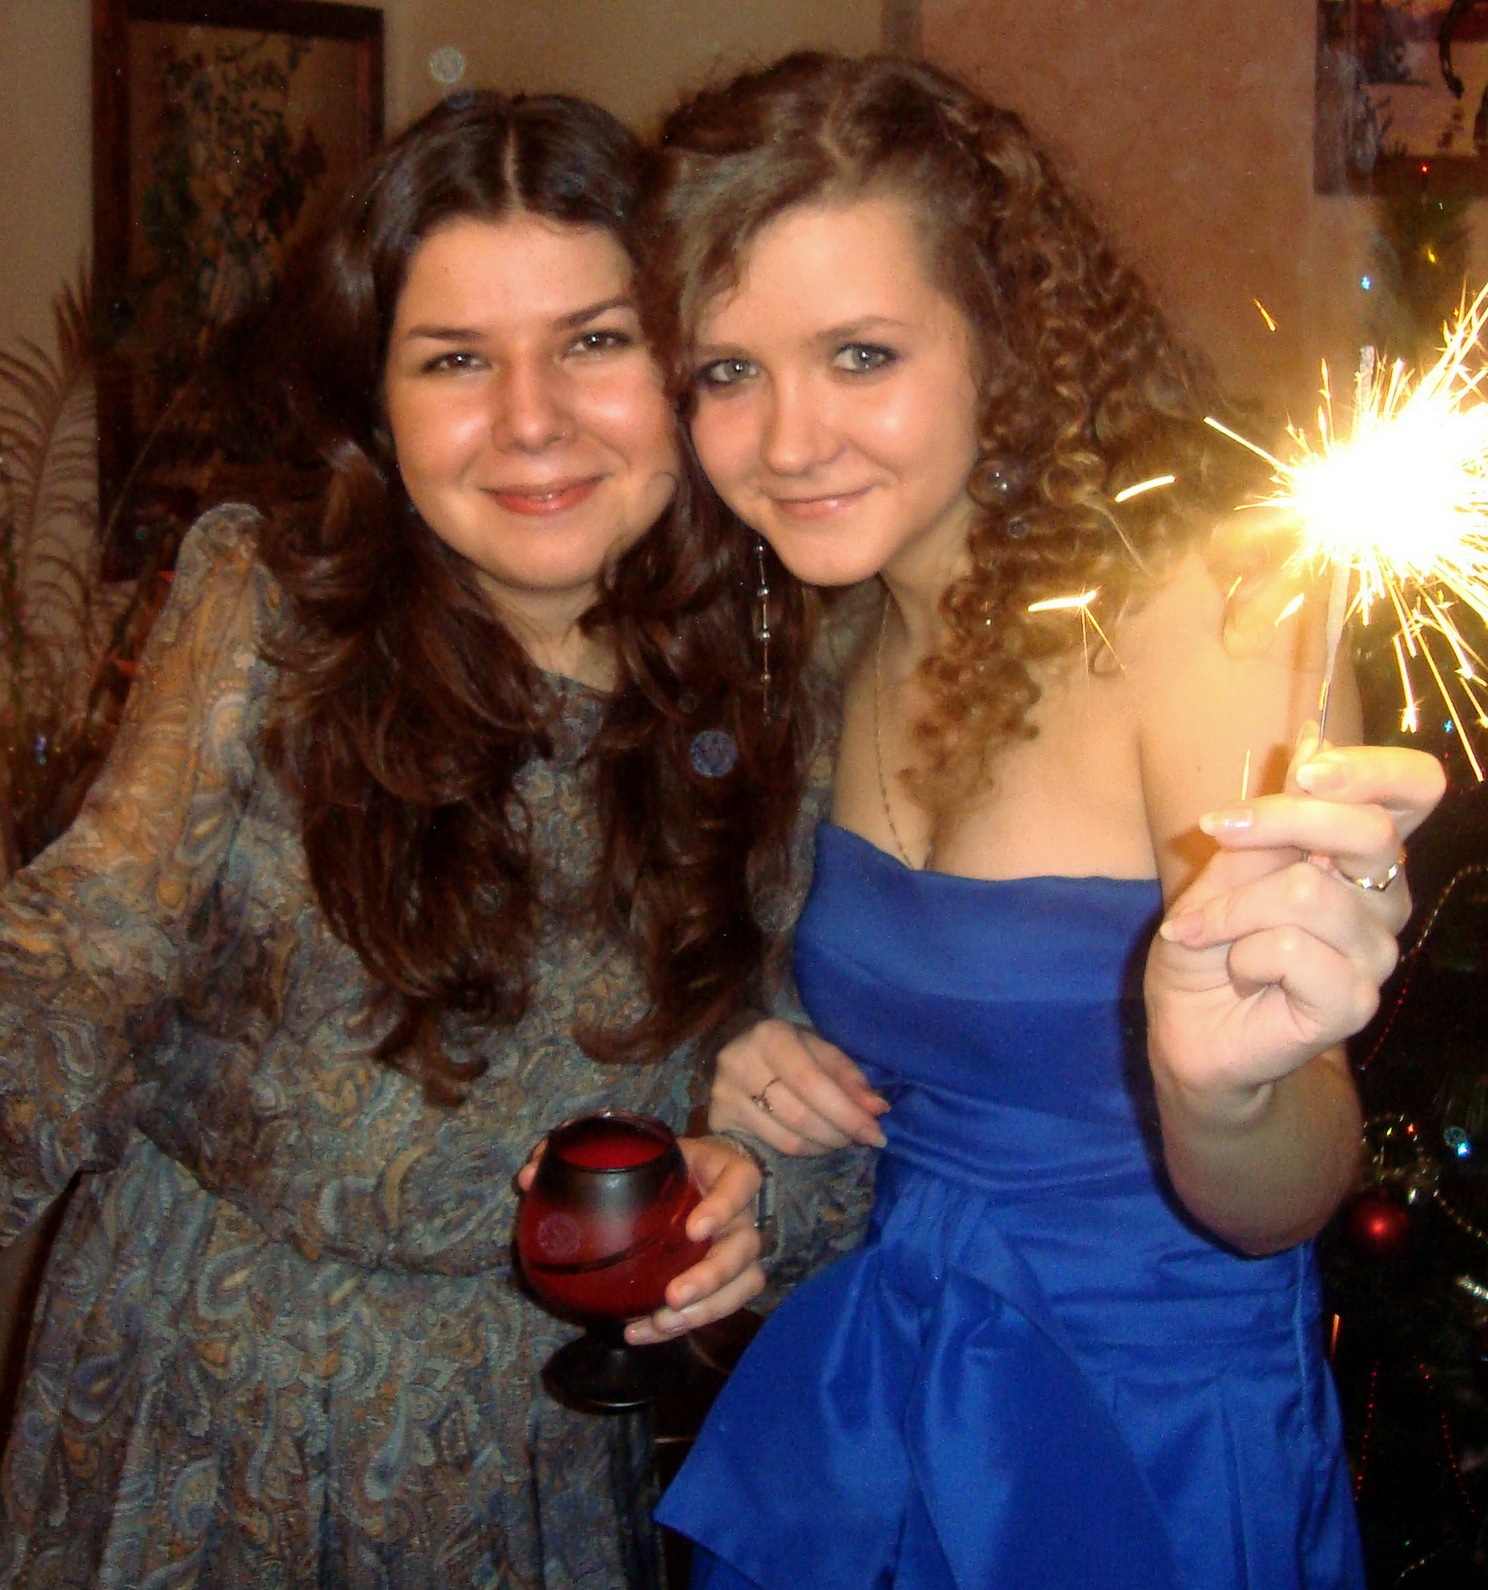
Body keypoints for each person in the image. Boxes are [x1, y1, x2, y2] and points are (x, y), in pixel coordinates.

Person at [641, 52, 1448, 1589]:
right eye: (728, 371)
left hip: (1150, 1434)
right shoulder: (820, 634)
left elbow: (1292, 1184)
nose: (789, 440)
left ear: (1001, 334)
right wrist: (745, 1048)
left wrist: (1220, 1096)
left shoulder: (1210, 614)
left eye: (861, 355)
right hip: (886, 1391)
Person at [0, 90, 810, 1588]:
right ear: (378, 404)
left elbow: (822, 1081)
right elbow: (81, 946)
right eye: (455, 359)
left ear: (690, 362)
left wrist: (757, 1186)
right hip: (206, 1402)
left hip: (540, 1442)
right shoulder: (267, 608)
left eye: (593, 340)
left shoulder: (781, 670)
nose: (530, 419)